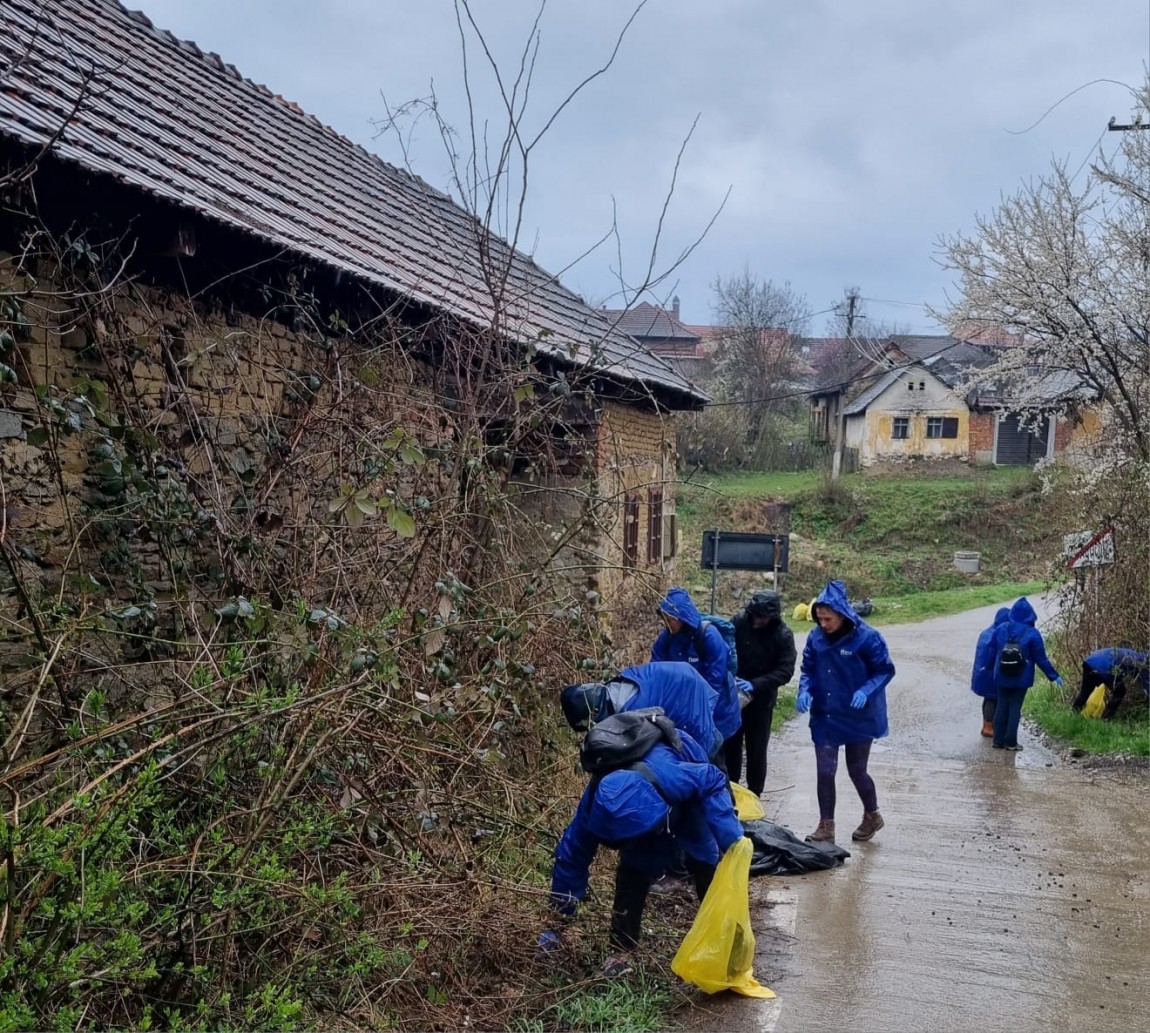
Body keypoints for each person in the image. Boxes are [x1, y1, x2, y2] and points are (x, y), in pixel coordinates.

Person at [543, 726, 744, 977]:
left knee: (706, 862)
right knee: (634, 869)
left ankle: (728, 942)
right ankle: (622, 951)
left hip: (687, 798)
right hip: (647, 810)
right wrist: (559, 919)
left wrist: (731, 839)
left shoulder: (674, 778)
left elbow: (713, 779)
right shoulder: (596, 803)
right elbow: (572, 856)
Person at [795, 580, 896, 844]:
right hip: (826, 713)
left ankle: (872, 814)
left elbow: (884, 670)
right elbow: (808, 669)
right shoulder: (816, 637)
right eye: (819, 618)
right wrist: (804, 690)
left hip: (858, 714)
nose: (823, 624)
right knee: (825, 770)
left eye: (828, 618)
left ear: (842, 614)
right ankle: (826, 825)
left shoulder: (867, 638)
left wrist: (866, 690)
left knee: (856, 769)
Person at [560, 662, 723, 763]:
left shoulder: (633, 711)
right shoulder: (616, 686)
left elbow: (648, 745)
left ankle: (727, 809)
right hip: (683, 678)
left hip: (688, 694)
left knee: (704, 759)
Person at [651, 587, 741, 768]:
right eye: (665, 618)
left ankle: (726, 794)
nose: (667, 623)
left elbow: (714, 681)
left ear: (682, 618)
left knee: (715, 762)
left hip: (717, 711)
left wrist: (698, 714)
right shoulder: (666, 639)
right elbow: (655, 672)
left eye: (671, 619)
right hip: (686, 712)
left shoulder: (708, 636)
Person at [729, 591, 797, 795]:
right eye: (756, 616)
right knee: (730, 745)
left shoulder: (783, 635)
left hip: (761, 699)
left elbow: (785, 671)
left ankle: (755, 793)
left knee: (756, 749)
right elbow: (724, 649)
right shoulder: (739, 623)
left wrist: (756, 684)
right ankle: (730, 790)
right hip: (734, 695)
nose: (758, 621)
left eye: (763, 618)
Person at [990, 597, 1062, 751]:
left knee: (1001, 705)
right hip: (1021, 677)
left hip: (1001, 674)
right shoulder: (1033, 634)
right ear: (1031, 615)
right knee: (1015, 707)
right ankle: (1010, 742)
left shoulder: (1001, 628)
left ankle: (997, 740)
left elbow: (992, 650)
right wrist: (1054, 676)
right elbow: (1041, 659)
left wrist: (989, 667)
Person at [1071, 648, 1149, 719]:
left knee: (1084, 692)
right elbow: (1147, 685)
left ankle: (1072, 716)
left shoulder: (1132, 653)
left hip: (1090, 661)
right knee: (1120, 692)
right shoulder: (1141, 663)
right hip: (1105, 666)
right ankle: (1106, 719)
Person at [970, 607, 1010, 738]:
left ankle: (986, 725)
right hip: (992, 673)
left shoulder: (986, 632)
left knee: (988, 699)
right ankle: (989, 727)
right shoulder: (1000, 635)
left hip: (982, 673)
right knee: (993, 699)